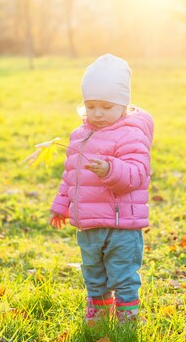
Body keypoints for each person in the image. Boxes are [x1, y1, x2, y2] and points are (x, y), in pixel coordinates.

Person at [49, 54, 154, 323]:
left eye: (106, 106)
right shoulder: (80, 135)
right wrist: (61, 206)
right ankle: (97, 315)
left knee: (122, 274)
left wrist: (109, 170)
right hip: (90, 224)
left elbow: (137, 174)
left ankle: (126, 319)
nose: (97, 113)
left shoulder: (131, 134)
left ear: (123, 105)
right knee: (93, 272)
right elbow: (70, 176)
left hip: (122, 226)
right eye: (91, 106)